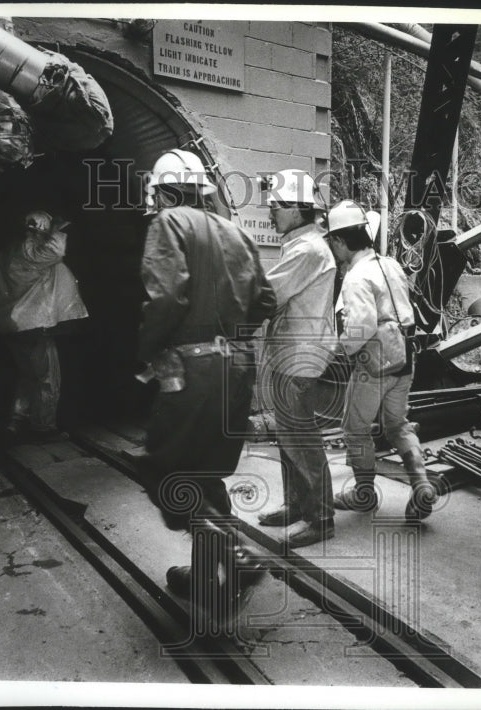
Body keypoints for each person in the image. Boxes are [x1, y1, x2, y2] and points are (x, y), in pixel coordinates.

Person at [135, 148, 276, 634]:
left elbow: (165, 294)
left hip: (193, 364)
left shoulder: (169, 223)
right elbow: (267, 300)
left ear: (166, 190)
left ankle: (235, 551)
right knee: (207, 473)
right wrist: (232, 336)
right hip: (238, 365)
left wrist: (152, 350)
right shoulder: (234, 230)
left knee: (161, 468)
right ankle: (208, 577)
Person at [325, 200, 438, 523]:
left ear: (340, 241)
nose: (333, 249)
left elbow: (360, 326)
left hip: (373, 365)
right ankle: (421, 486)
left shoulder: (356, 277)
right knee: (397, 425)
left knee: (355, 429)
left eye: (333, 242)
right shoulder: (390, 265)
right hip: (404, 358)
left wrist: (335, 348)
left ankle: (364, 495)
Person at [256, 169, 338, 548]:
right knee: (288, 434)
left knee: (302, 438)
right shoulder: (299, 244)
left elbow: (268, 295)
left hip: (300, 356)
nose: (270, 211)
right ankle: (296, 505)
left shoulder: (307, 249)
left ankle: (321, 518)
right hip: (290, 352)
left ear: (296, 208)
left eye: (275, 206)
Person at [0, 210, 88, 443]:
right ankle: (43, 428)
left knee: (28, 376)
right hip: (33, 324)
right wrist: (56, 230)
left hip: (14, 324)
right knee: (46, 378)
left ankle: (17, 420)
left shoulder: (4, 254)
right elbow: (54, 250)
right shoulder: (27, 251)